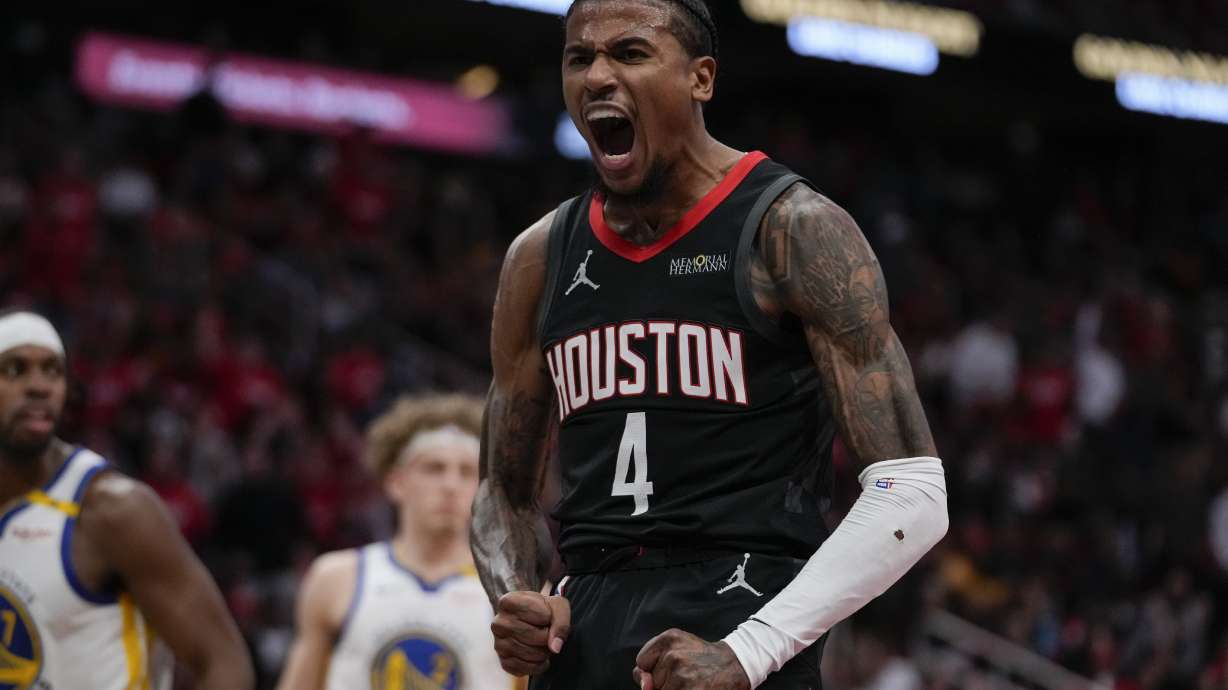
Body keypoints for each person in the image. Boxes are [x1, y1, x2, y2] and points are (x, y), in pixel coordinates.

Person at [470, 1, 950, 689]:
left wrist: (750, 651)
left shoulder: (791, 228)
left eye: (630, 53)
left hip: (744, 609)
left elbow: (913, 492)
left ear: (701, 78)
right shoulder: (540, 256)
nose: (598, 75)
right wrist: (513, 593)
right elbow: (502, 491)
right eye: (580, 58)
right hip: (583, 623)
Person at [0, 310, 254, 690]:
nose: (39, 386)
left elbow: (224, 663)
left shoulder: (112, 510)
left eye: (52, 371)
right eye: (16, 370)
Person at [277, 393, 518, 690]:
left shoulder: (516, 592)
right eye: (434, 468)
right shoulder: (337, 578)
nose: (450, 485)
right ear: (396, 482)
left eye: (467, 472)